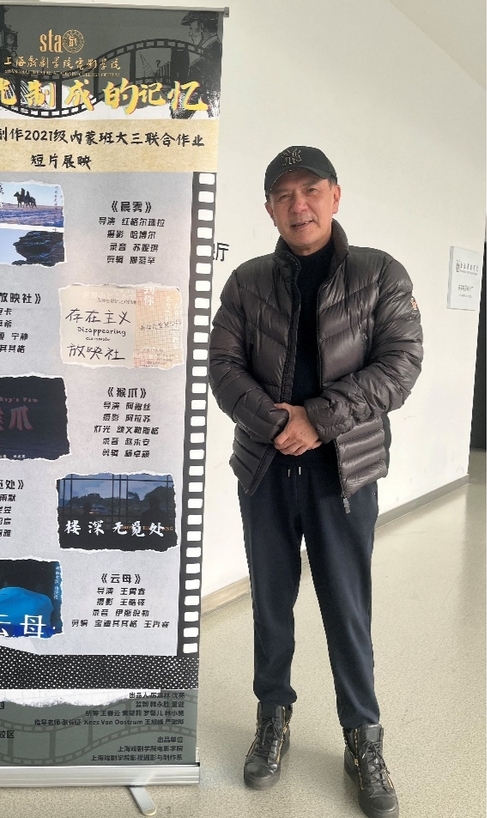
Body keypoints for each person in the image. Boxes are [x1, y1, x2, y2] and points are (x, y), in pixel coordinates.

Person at [208, 146, 423, 818]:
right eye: (283, 195)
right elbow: (222, 366)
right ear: (269, 208)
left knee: (346, 608)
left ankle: (363, 736)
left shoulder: (379, 274)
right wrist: (280, 424)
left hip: (344, 473)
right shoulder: (246, 282)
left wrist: (320, 419)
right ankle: (272, 719)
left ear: (334, 195)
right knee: (271, 605)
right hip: (266, 468)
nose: (297, 205)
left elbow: (400, 364)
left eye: (309, 190)